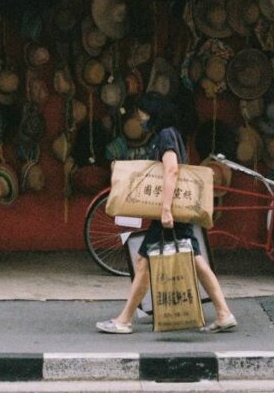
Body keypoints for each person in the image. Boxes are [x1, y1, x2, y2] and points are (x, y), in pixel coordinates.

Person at [95, 92, 236, 335]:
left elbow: (171, 171)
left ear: (154, 112)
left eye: (143, 112)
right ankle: (224, 313)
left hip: (170, 214)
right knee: (193, 259)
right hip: (175, 214)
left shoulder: (165, 135)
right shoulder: (171, 133)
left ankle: (124, 320)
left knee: (144, 262)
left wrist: (166, 209)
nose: (140, 118)